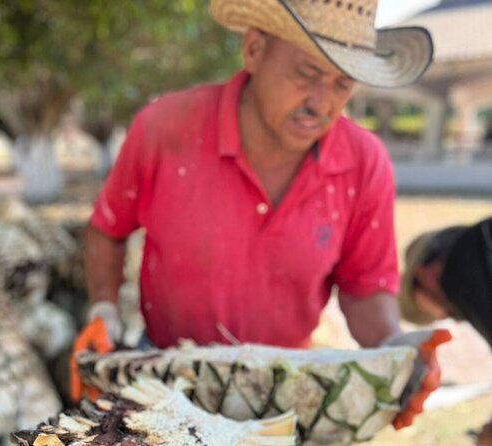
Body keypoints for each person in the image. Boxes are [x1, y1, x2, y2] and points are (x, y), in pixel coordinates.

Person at [72, 0, 445, 429]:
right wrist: (104, 309)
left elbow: (364, 288)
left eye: (343, 84)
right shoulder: (165, 128)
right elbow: (108, 228)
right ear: (254, 50)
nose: (321, 103)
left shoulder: (364, 164)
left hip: (286, 392)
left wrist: (395, 353)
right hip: (164, 380)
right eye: (307, 72)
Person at [399, 217, 492, 445]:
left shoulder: (462, 270)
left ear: (425, 274)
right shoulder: (481, 242)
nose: (445, 316)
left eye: (441, 314)